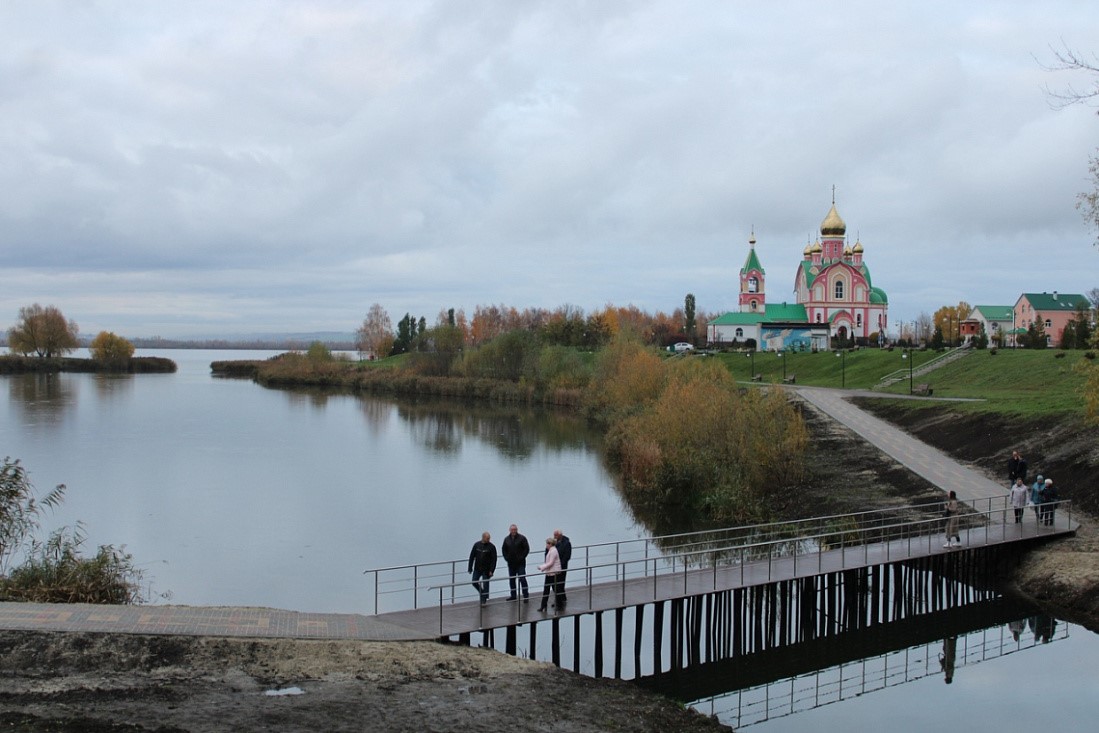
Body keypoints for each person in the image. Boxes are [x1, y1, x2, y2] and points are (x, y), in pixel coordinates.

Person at [501, 523, 530, 601]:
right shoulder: (506, 539)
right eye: (512, 530)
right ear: (509, 530)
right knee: (512, 580)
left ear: (517, 530)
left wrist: (521, 557)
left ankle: (526, 595)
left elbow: (526, 549)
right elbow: (504, 550)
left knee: (522, 579)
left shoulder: (522, 538)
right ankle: (513, 596)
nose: (513, 531)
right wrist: (506, 558)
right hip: (511, 563)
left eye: (515, 530)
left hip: (520, 563)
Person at [467, 531, 497, 606]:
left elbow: (494, 559)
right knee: (474, 582)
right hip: (477, 568)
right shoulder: (477, 545)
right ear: (483, 537)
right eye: (487, 538)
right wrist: (470, 567)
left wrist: (491, 570)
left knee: (486, 584)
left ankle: (483, 600)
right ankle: (483, 593)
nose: (488, 540)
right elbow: (471, 557)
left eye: (489, 538)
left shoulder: (492, 547)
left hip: (486, 569)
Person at [537, 537, 562, 612]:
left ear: (550, 544)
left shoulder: (553, 551)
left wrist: (542, 567)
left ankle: (559, 604)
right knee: (546, 590)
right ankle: (543, 605)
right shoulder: (551, 550)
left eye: (547, 543)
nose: (546, 545)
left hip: (554, 574)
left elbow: (551, 563)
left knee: (555, 590)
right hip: (549, 573)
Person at [553, 529, 572, 605]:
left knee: (560, 583)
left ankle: (560, 600)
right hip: (554, 566)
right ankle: (562, 598)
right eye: (554, 535)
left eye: (556, 535)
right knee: (555, 584)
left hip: (562, 566)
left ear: (560, 535)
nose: (554, 537)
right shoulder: (554, 542)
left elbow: (567, 556)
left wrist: (560, 565)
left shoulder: (566, 543)